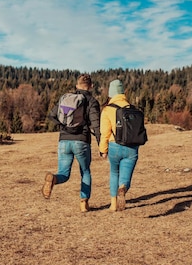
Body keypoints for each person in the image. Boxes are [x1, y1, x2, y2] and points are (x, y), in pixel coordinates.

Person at [41, 74, 101, 212]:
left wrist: (63, 127)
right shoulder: (91, 101)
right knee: (85, 171)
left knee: (64, 173)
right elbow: (96, 125)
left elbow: (51, 115)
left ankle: (54, 179)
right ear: (91, 86)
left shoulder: (66, 98)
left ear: (76, 85)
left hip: (64, 141)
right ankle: (84, 202)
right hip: (82, 141)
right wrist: (101, 144)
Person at [99, 79, 139, 212]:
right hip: (132, 148)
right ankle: (123, 188)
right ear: (123, 92)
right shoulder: (131, 108)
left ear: (110, 93)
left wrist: (103, 150)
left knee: (114, 173)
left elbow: (105, 132)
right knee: (125, 176)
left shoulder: (107, 110)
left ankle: (113, 204)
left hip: (114, 146)